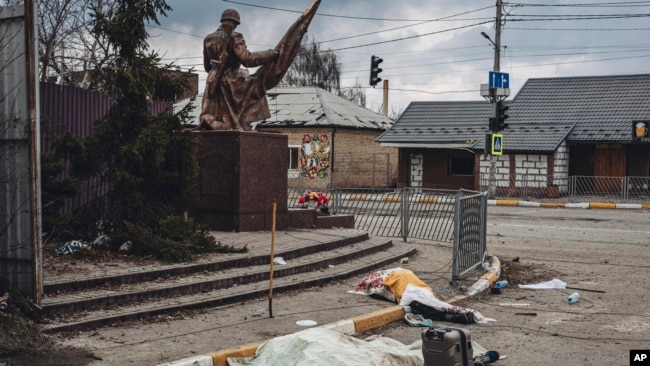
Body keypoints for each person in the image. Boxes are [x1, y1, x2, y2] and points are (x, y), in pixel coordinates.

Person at [198, 1, 321, 131]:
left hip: (213, 81)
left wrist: (217, 70)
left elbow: (207, 67)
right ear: (235, 23)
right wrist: (270, 54)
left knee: (249, 83)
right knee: (257, 88)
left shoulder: (208, 39)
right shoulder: (235, 37)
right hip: (232, 82)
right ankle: (245, 121)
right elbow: (248, 60)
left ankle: (233, 122)